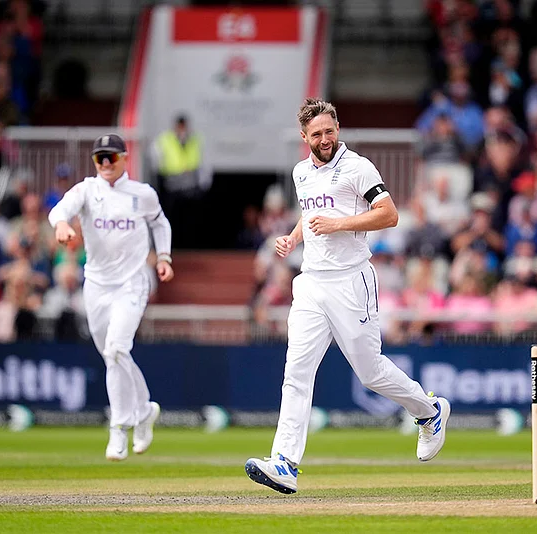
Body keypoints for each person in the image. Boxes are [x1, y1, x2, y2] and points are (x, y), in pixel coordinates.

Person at [244, 98, 450, 494]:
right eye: (316, 134)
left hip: (352, 282)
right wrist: (293, 235)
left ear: (337, 128)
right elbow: (310, 213)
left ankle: (429, 411)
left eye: (329, 131)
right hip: (310, 283)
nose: (324, 139)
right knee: (296, 372)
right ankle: (284, 462)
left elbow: (388, 214)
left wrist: (339, 224)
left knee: (370, 372)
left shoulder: (357, 167)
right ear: (304, 137)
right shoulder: (301, 172)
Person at [48, 133, 174, 461]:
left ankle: (118, 427)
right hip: (97, 285)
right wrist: (61, 224)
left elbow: (161, 224)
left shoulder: (141, 194)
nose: (105, 163)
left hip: (132, 283)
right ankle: (144, 411)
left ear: (124, 158)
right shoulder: (87, 190)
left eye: (111, 157)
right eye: (99, 158)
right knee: (112, 356)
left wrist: (163, 257)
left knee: (117, 348)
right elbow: (60, 209)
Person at [150, 114, 210, 248]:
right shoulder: (165, 139)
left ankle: (189, 245)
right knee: (170, 217)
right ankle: (173, 246)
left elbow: (202, 160)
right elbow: (156, 159)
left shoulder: (195, 139)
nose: (182, 129)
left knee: (189, 219)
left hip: (190, 185)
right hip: (171, 184)